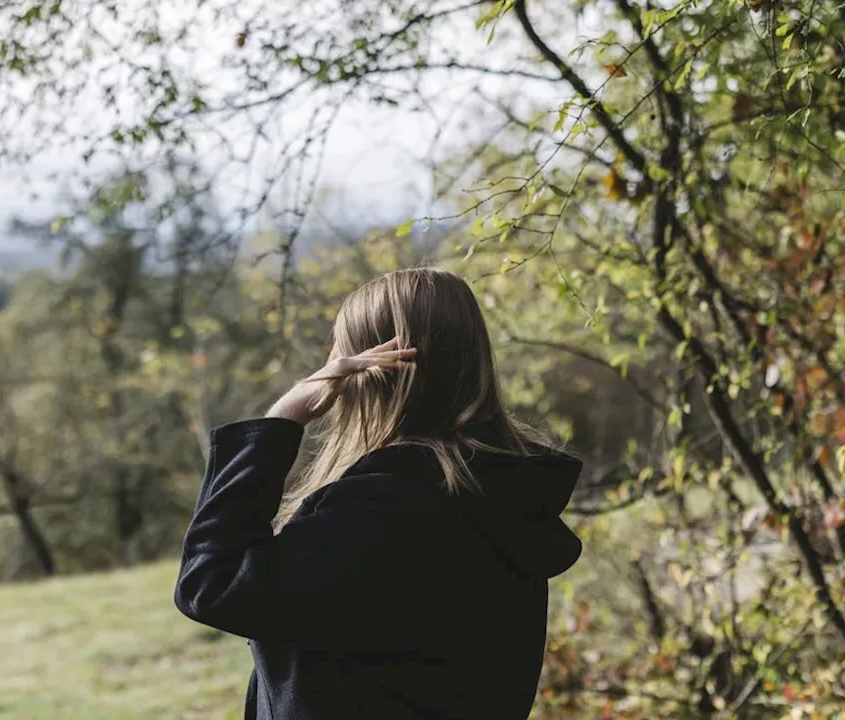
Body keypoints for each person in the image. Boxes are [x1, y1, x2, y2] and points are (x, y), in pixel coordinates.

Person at [174, 267, 583, 719]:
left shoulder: (382, 508)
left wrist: (282, 419)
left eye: (340, 352)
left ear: (371, 371)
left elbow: (210, 583)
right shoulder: (503, 493)